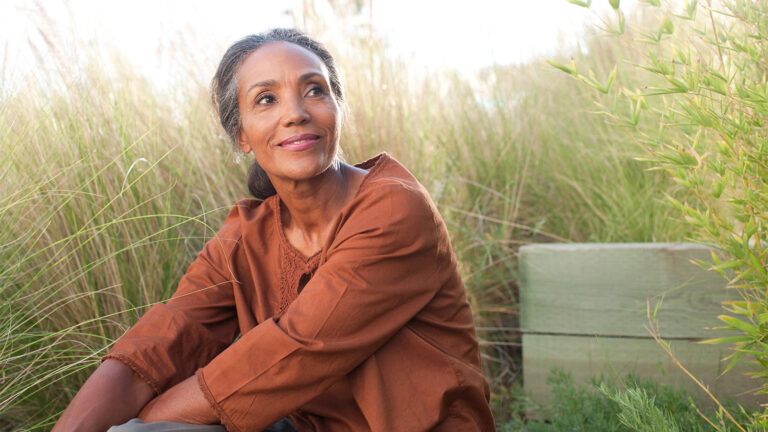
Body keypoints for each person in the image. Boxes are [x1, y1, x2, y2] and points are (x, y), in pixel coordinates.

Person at [53, 28, 495, 432]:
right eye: (266, 99)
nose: (296, 113)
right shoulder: (247, 235)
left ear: (337, 109)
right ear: (241, 134)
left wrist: (141, 423)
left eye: (314, 91)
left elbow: (299, 349)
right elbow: (164, 340)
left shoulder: (394, 208)